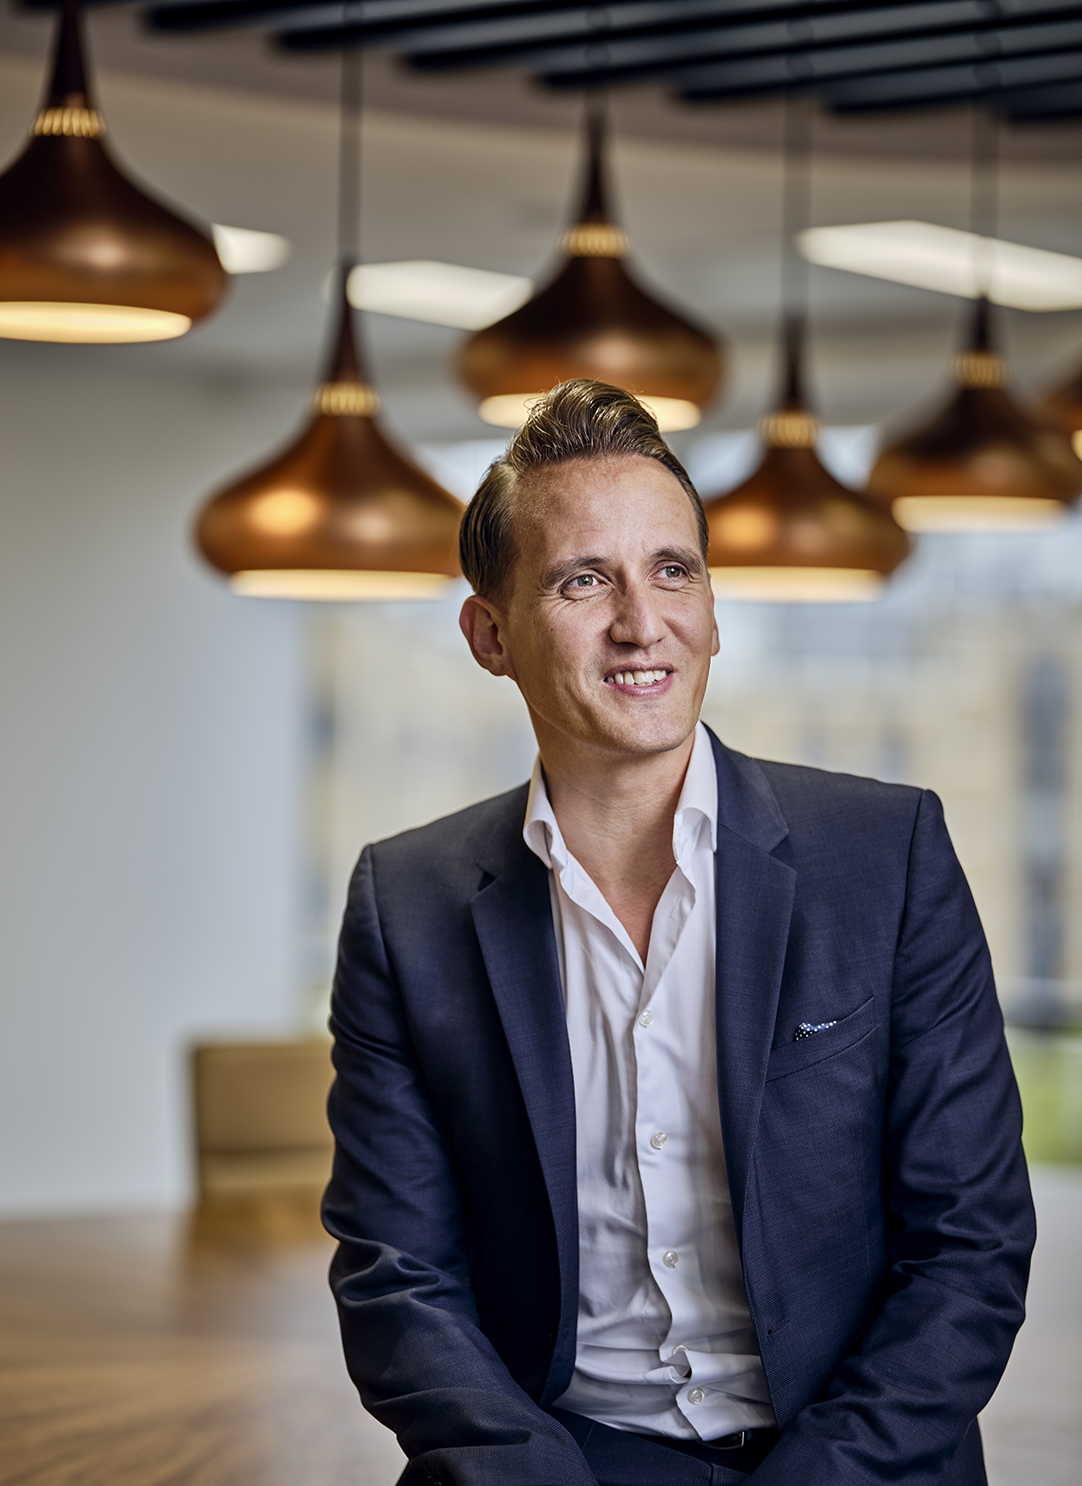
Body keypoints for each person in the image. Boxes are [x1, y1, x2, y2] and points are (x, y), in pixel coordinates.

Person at [322, 379, 1035, 1486]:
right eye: (580, 580)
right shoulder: (403, 905)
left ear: (711, 606)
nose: (638, 621)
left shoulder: (884, 856)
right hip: (561, 1459)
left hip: (852, 1460)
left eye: (671, 569)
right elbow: (396, 1276)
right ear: (489, 633)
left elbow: (969, 1248)